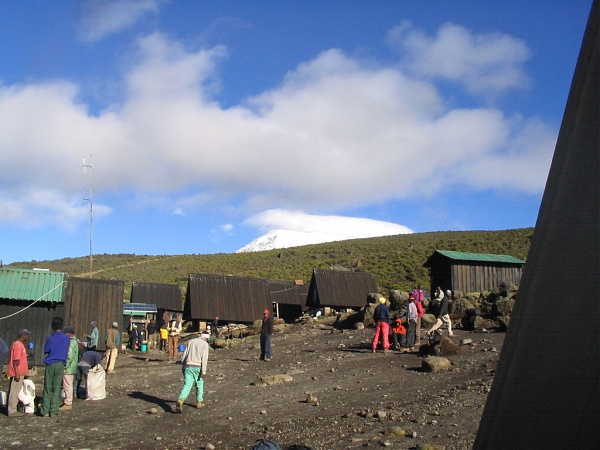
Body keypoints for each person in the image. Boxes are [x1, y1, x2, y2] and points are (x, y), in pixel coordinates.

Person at [40, 317, 70, 417]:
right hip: (61, 363)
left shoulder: (50, 338)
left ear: (53, 327)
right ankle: (54, 410)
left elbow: (47, 350)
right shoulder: (66, 339)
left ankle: (45, 410)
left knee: (48, 387)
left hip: (50, 363)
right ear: (62, 327)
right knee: (57, 387)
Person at [175, 332, 210, 413]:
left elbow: (185, 354)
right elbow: (204, 358)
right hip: (198, 366)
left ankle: (180, 400)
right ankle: (199, 402)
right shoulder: (205, 344)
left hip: (188, 365)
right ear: (206, 338)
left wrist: (183, 364)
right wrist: (204, 371)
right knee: (199, 384)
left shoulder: (191, 341)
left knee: (187, 385)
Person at [6, 329, 30, 417]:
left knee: (14, 390)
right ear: (23, 335)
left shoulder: (18, 344)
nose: (27, 337)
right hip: (18, 371)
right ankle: (12, 410)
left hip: (18, 371)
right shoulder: (18, 345)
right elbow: (16, 360)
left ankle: (10, 408)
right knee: (15, 391)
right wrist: (17, 373)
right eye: (26, 335)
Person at [60, 326, 79, 411]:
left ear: (69, 334)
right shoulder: (75, 341)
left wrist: (65, 366)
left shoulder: (71, 342)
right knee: (68, 384)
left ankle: (68, 403)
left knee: (67, 385)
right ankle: (67, 401)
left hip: (69, 368)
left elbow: (70, 356)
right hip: (72, 367)